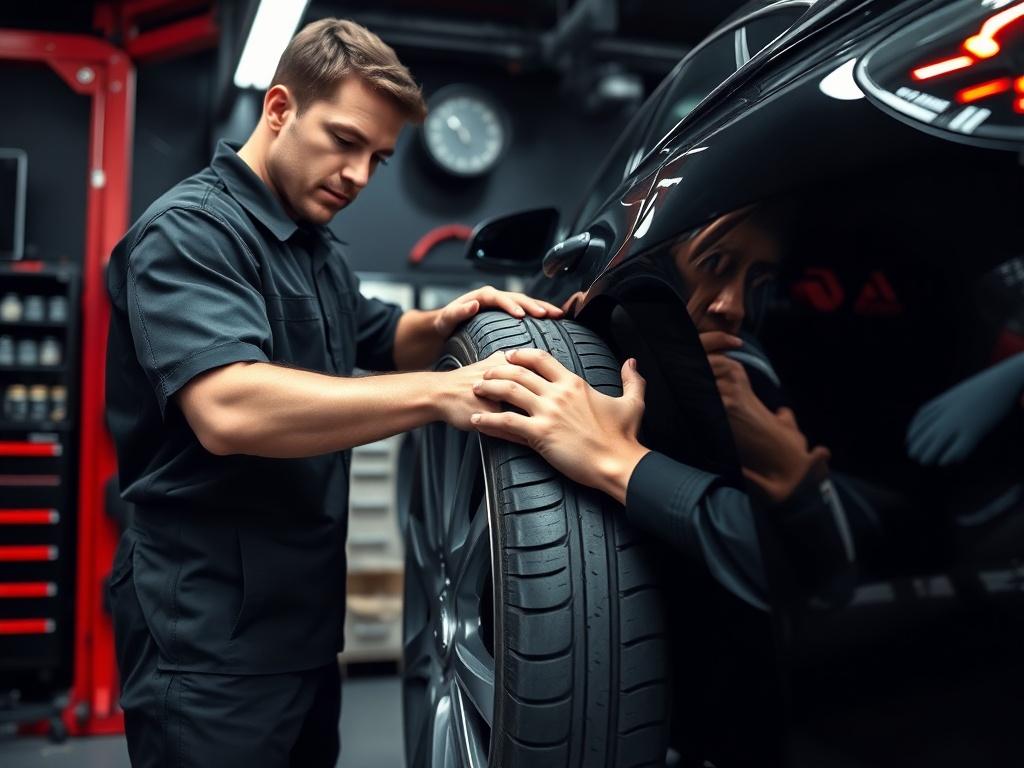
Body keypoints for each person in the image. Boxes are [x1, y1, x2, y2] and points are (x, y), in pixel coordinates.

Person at [104, 18, 562, 768]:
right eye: (344, 142)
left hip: (302, 627)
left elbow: (379, 334)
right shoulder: (190, 234)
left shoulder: (312, 246)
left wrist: (459, 318)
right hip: (207, 635)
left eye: (378, 159)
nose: (357, 175)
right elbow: (229, 407)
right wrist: (442, 395)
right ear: (279, 109)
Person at [470, 207, 858, 608]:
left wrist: (618, 460)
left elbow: (824, 586)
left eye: (756, 281)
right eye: (715, 265)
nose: (734, 307)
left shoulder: (754, 400)